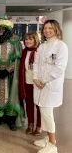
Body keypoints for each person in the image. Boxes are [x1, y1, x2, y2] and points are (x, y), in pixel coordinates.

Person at [33, 20, 68, 153]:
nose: (47, 30)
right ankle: (47, 138)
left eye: (50, 28)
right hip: (40, 83)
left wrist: (44, 80)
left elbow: (59, 68)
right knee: (43, 111)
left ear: (56, 29)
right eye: (45, 28)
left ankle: (53, 144)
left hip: (50, 85)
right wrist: (36, 78)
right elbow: (36, 63)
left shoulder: (61, 46)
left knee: (47, 114)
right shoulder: (42, 46)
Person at [19, 33, 41, 135]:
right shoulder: (24, 52)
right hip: (27, 81)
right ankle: (30, 124)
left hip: (38, 83)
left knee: (39, 105)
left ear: (35, 40)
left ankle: (39, 126)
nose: (28, 41)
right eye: (26, 39)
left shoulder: (40, 51)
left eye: (30, 39)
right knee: (29, 104)